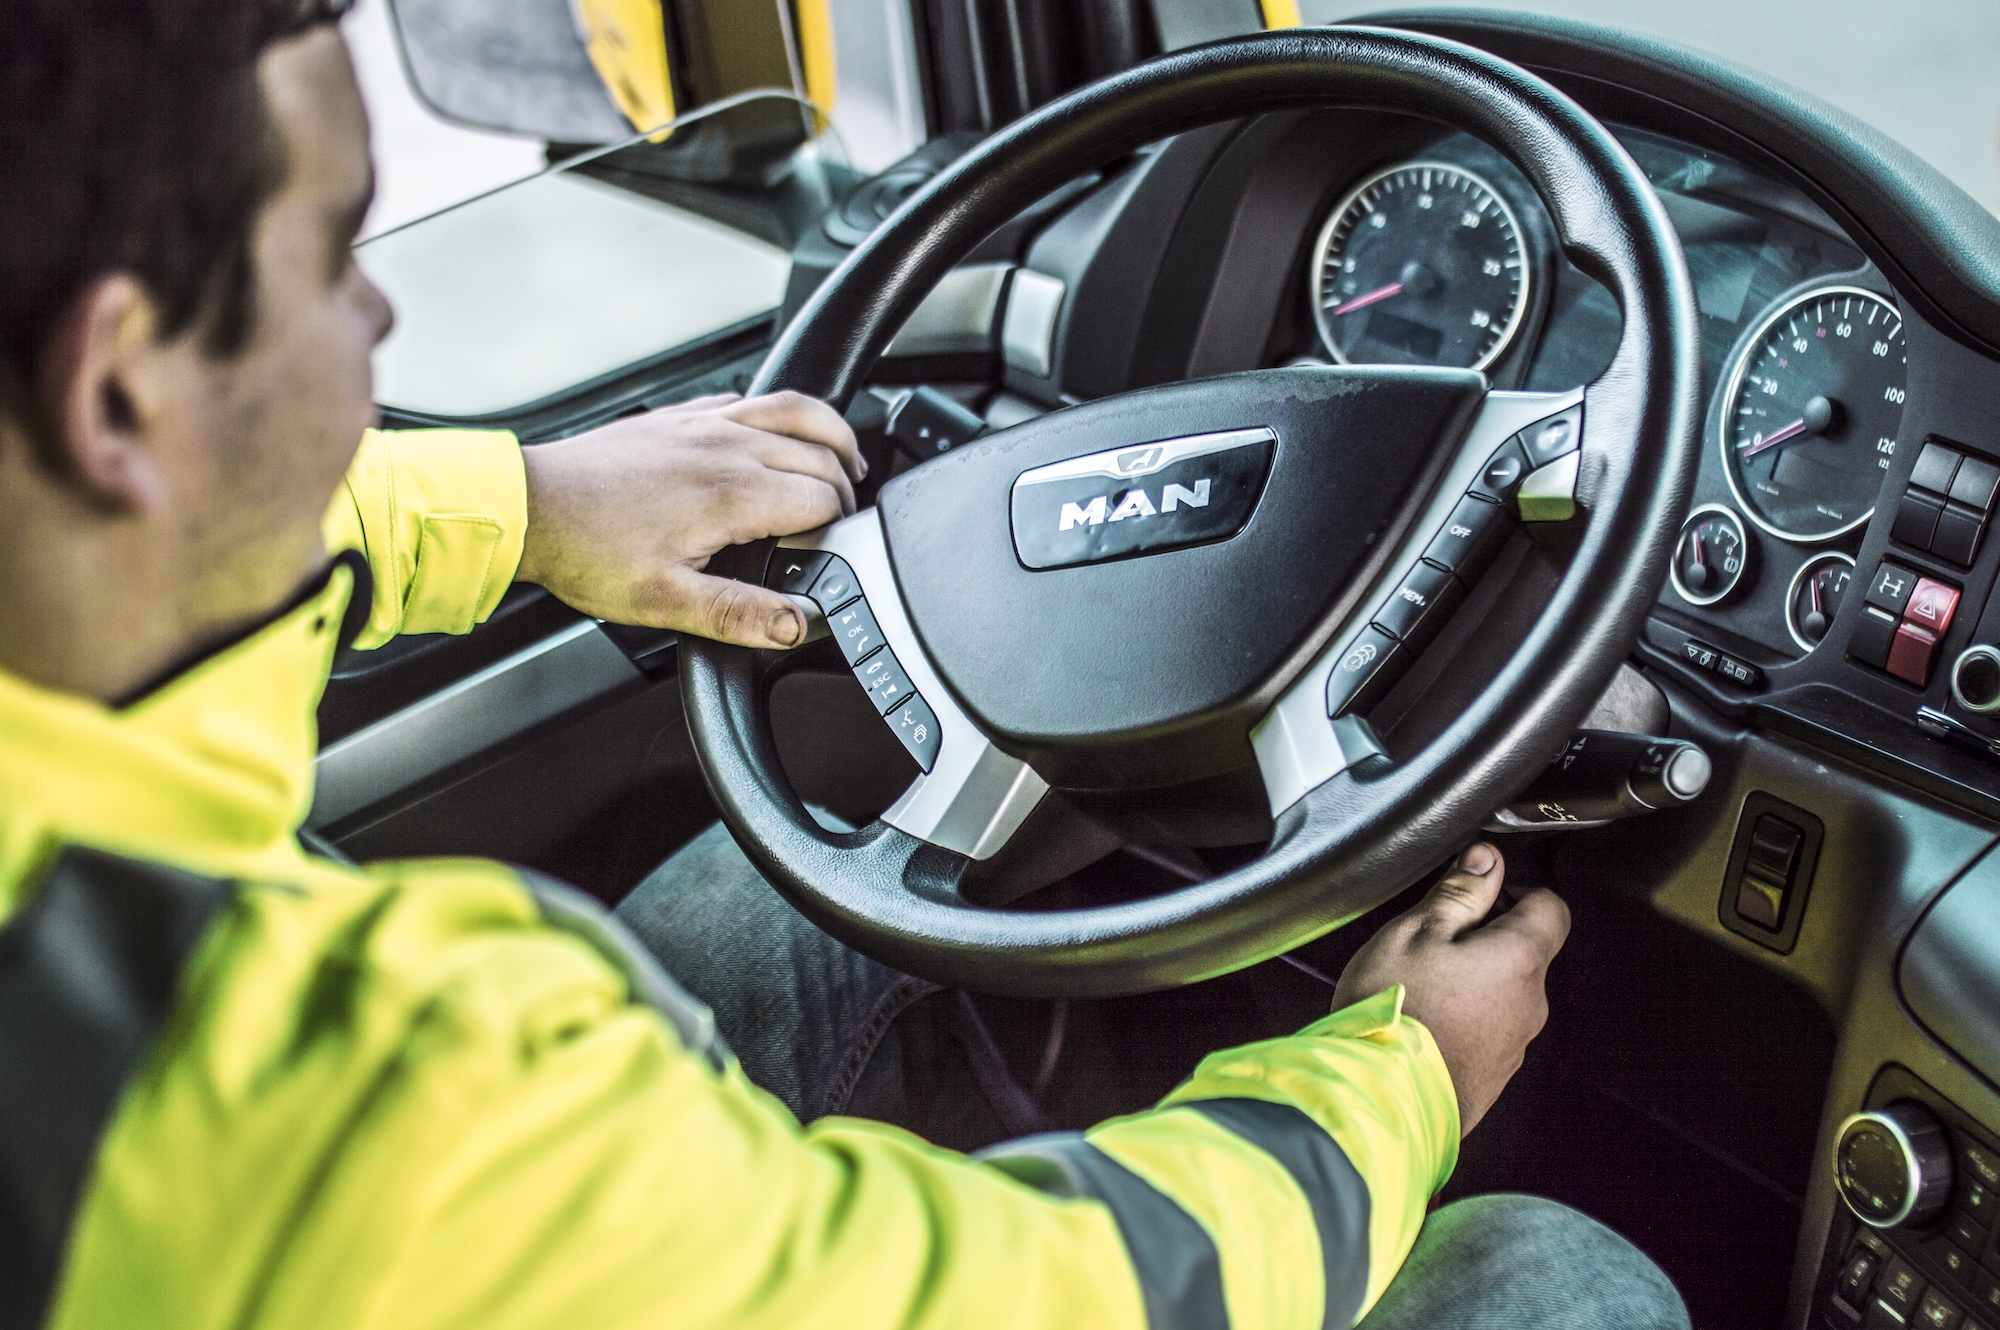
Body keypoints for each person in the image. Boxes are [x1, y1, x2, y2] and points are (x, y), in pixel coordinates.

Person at [0, 2, 1689, 1327]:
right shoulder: (377, 1101)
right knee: (1560, 1277)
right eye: (329, 258)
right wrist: (1397, 1069)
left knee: (777, 897)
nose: (376, 319)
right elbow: (1055, 1297)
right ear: (119, 390)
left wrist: (526, 503)